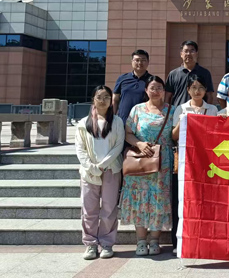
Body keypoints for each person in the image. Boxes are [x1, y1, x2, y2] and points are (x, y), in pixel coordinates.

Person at [164, 40, 214, 254]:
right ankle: (179, 242)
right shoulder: (174, 77)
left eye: (192, 51)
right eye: (186, 51)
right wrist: (182, 120)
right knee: (181, 198)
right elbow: (169, 101)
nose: (197, 91)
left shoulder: (211, 108)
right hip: (183, 157)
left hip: (205, 160)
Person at [119, 75, 175, 257]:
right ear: (146, 90)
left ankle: (155, 240)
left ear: (164, 91)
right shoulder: (137, 109)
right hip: (140, 160)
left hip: (163, 163)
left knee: (159, 199)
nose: (156, 91)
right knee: (140, 199)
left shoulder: (172, 110)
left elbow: (176, 134)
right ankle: (141, 240)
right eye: (152, 87)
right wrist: (140, 144)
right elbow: (128, 133)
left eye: (159, 88)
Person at [74, 85, 125, 260]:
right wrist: (91, 166)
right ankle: (90, 244)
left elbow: (118, 145)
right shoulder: (83, 123)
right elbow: (80, 148)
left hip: (111, 169)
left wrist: (102, 165)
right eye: (99, 97)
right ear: (93, 100)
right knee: (89, 209)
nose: (102, 101)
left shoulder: (117, 122)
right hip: (89, 172)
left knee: (109, 208)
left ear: (111, 101)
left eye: (106, 97)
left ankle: (107, 243)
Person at [164, 40, 215, 108]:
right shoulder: (173, 74)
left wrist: (207, 111)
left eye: (192, 51)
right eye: (186, 51)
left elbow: (209, 96)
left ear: (197, 54)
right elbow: (167, 96)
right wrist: (167, 111)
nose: (188, 54)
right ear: (181, 54)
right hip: (178, 111)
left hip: (199, 111)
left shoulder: (205, 73)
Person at [171, 74, 219, 141]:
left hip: (206, 146)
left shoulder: (213, 109)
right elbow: (174, 137)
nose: (197, 91)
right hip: (186, 146)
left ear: (205, 89)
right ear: (188, 90)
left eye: (201, 87)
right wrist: (182, 121)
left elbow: (217, 133)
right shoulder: (181, 108)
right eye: (194, 87)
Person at [113, 49, 151, 123]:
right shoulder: (122, 78)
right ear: (132, 62)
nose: (140, 63)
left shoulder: (152, 80)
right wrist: (113, 117)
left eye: (143, 60)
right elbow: (115, 99)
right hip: (123, 120)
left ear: (148, 62)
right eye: (137, 60)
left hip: (144, 121)